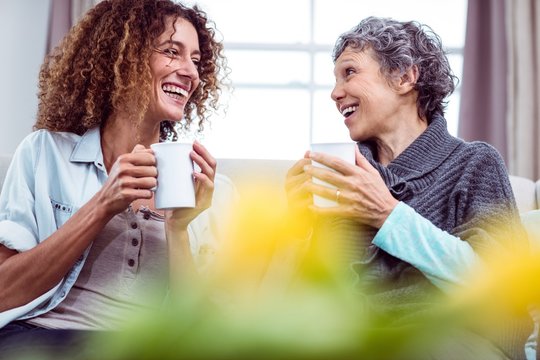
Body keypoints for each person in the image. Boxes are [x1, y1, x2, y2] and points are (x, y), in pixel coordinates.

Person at [285, 16, 532, 360]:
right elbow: (304, 308)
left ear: (404, 77)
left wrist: (387, 214)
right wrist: (296, 231)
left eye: (350, 72)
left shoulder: (473, 163)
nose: (335, 93)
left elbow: (503, 286)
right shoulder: (343, 180)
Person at [0, 0, 229, 357]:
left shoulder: (206, 187)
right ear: (125, 57)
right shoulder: (45, 153)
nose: (191, 73)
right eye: (172, 52)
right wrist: (102, 205)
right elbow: (4, 293)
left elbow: (201, 335)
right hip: (43, 336)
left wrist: (179, 228)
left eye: (196, 61)